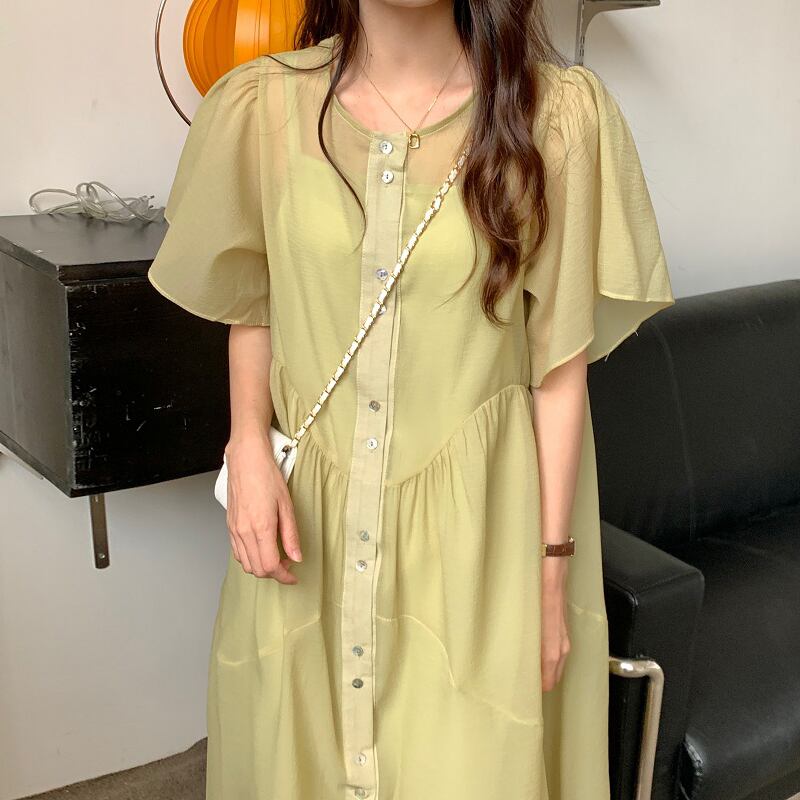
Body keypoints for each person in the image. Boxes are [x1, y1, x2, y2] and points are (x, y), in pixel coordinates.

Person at [147, 1, 675, 797]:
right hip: (309, 525)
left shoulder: (556, 118)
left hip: (478, 544)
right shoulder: (262, 107)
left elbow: (559, 372)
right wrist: (247, 445)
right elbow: (253, 302)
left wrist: (550, 579)